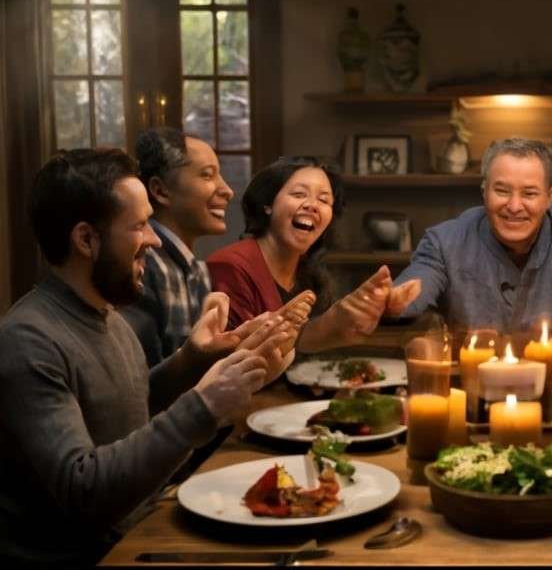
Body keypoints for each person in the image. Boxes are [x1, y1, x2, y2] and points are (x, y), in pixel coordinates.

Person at [0, 148, 296, 565]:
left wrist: (193, 359)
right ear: (86, 239)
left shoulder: (109, 316)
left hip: (139, 532)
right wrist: (204, 405)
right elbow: (82, 490)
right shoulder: (27, 341)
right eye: (140, 226)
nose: (155, 240)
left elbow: (123, 409)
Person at [392, 137, 552, 341]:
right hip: (468, 385)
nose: (514, 206)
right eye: (502, 191)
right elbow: (413, 286)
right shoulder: (443, 242)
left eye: (529, 193)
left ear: (549, 196)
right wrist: (391, 302)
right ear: (484, 191)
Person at [207, 156, 419, 352]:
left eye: (324, 200)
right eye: (299, 194)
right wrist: (329, 324)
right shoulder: (230, 266)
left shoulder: (310, 273)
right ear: (268, 204)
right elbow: (235, 360)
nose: (312, 206)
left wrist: (382, 311)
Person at [119, 127, 235, 367]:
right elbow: (140, 379)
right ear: (161, 191)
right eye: (207, 175)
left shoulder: (198, 270)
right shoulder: (144, 263)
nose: (227, 190)